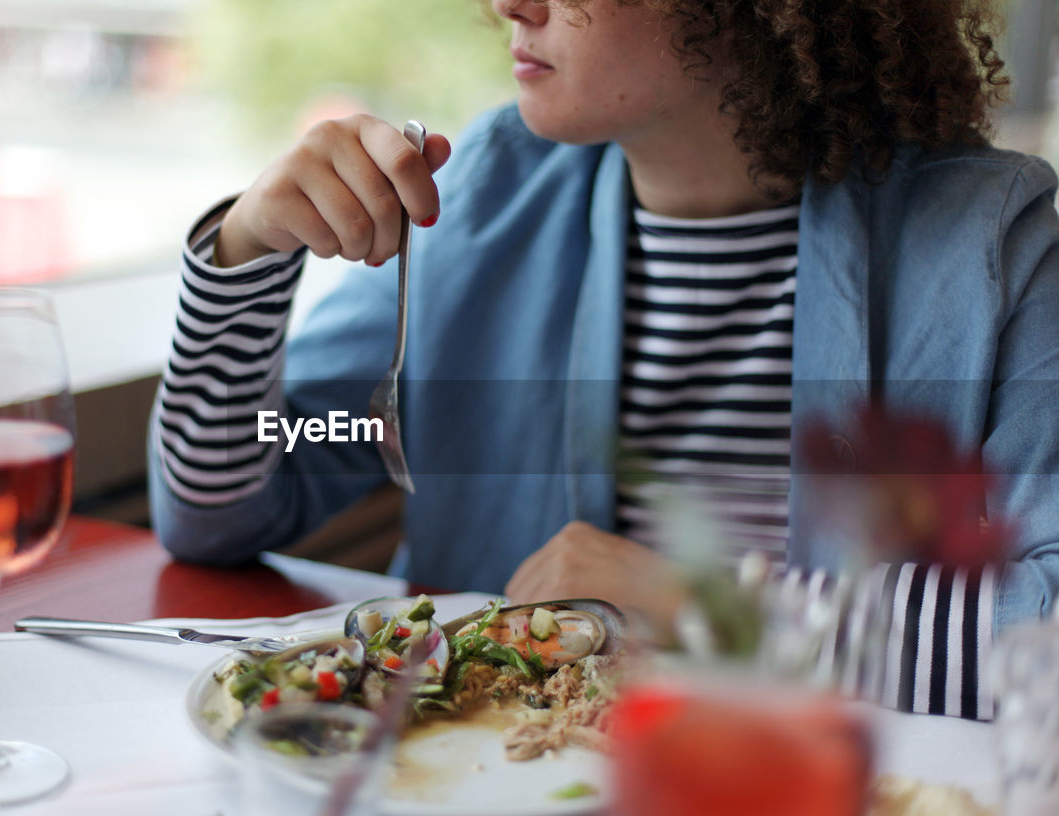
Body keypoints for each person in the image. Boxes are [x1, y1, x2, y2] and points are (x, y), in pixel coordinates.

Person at [148, 0, 1059, 720]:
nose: (509, 3)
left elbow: (1047, 629)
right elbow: (223, 505)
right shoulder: (478, 200)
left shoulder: (991, 248)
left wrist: (697, 605)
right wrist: (244, 256)